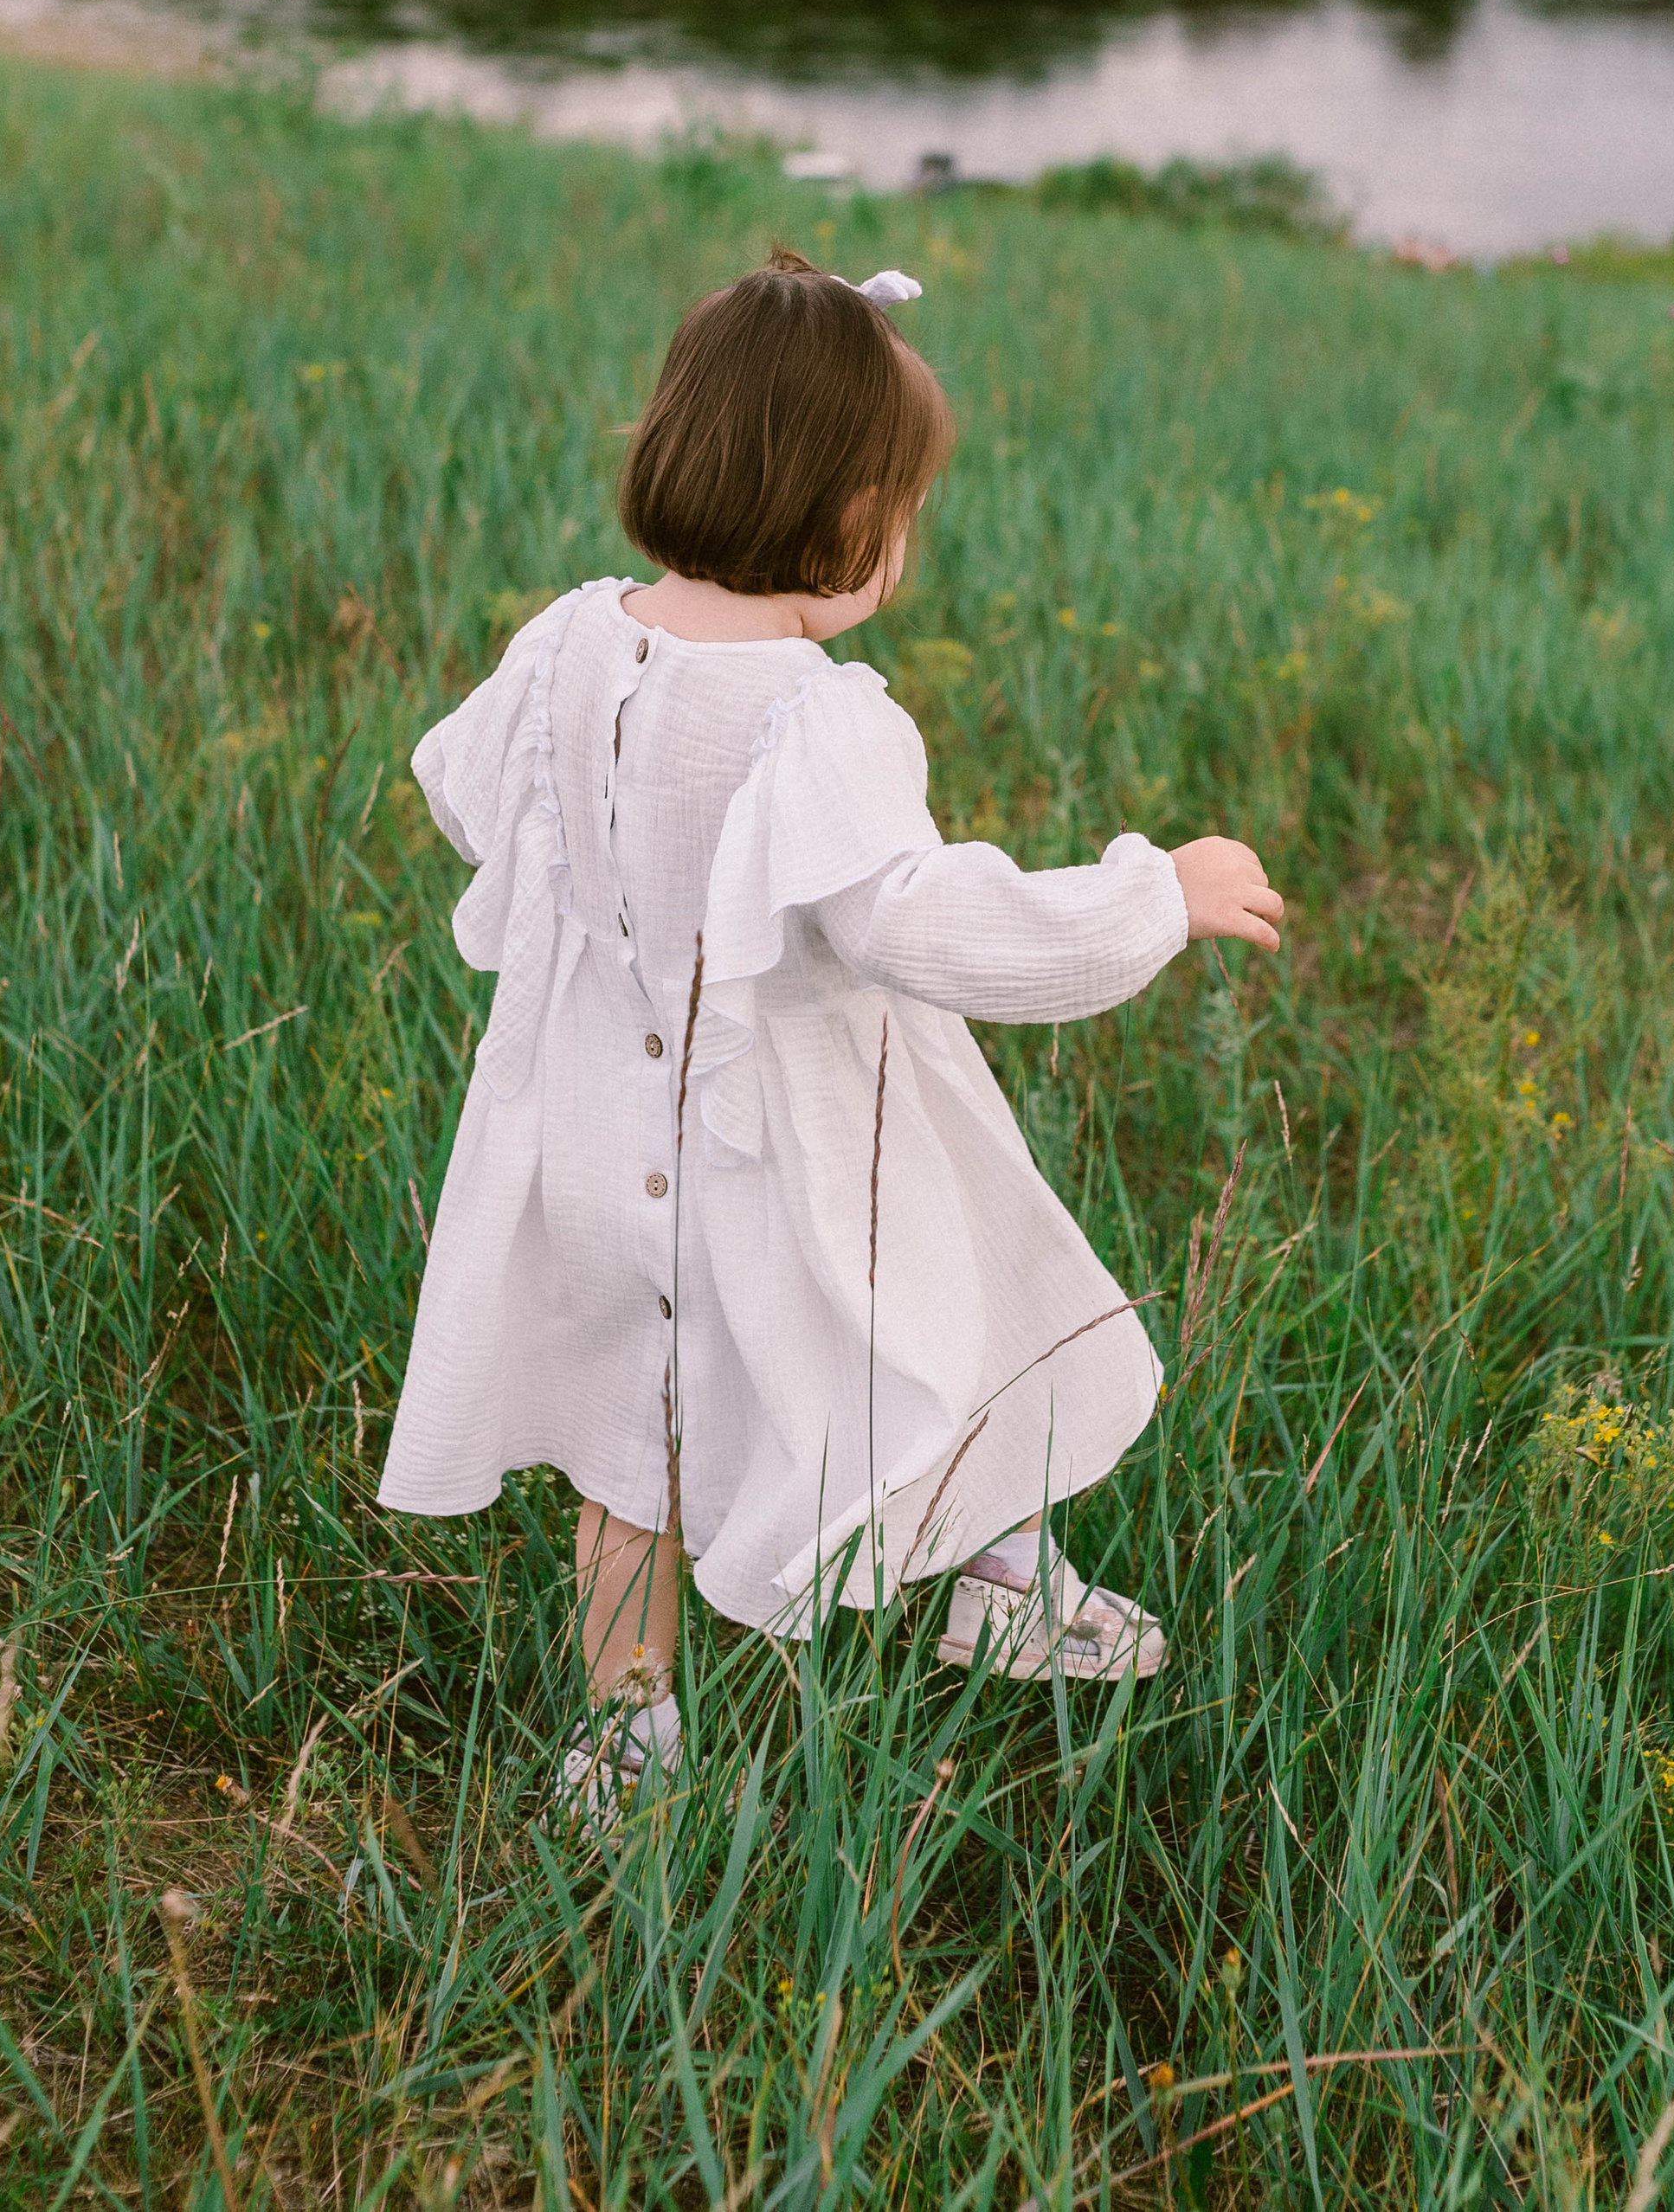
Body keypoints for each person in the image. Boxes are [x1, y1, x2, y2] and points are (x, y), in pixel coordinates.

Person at [379, 247, 1281, 1810]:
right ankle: (994, 1571)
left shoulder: (570, 636)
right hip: (801, 1148)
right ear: (851, 522)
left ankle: (627, 1735)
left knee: (631, 1437)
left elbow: (464, 789)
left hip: (595, 1131)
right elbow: (918, 925)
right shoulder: (819, 715)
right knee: (944, 1333)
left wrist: (618, 910)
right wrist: (1157, 894)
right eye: (906, 511)